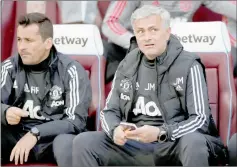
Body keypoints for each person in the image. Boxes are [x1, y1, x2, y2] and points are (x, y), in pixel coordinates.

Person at [71, 5, 227, 166]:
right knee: (85, 142)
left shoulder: (189, 65)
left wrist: (161, 132)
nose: (147, 37)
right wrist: (115, 129)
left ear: (167, 33)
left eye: (153, 30)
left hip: (174, 143)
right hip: (136, 144)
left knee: (193, 141)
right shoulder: (126, 65)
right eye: (140, 31)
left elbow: (200, 120)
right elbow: (110, 111)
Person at [1, 12, 92, 166]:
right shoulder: (9, 67)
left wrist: (36, 133)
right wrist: (4, 112)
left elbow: (76, 121)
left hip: (53, 139)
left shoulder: (71, 70)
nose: (22, 47)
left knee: (68, 143)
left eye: (29, 40)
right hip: (17, 136)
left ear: (48, 43)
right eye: (19, 39)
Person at [102, 1, 237, 83]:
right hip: (140, 49)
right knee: (103, 50)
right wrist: (140, 43)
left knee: (231, 54)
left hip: (182, 49)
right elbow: (111, 22)